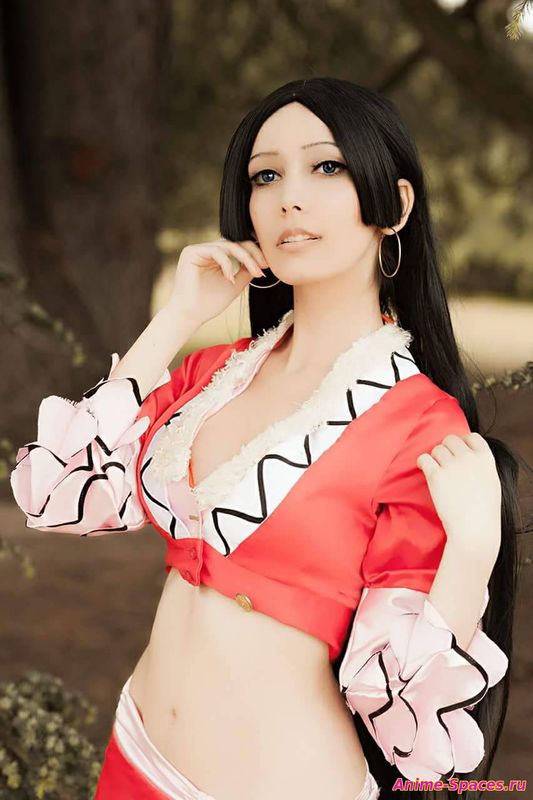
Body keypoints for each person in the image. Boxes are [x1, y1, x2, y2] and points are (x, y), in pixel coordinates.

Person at [10, 77, 520, 800]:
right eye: (266, 176)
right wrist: (176, 318)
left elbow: (400, 720)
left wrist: (471, 553)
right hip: (133, 755)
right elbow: (56, 494)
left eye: (327, 167)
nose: (289, 198)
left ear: (396, 205)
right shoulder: (214, 375)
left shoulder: (418, 421)